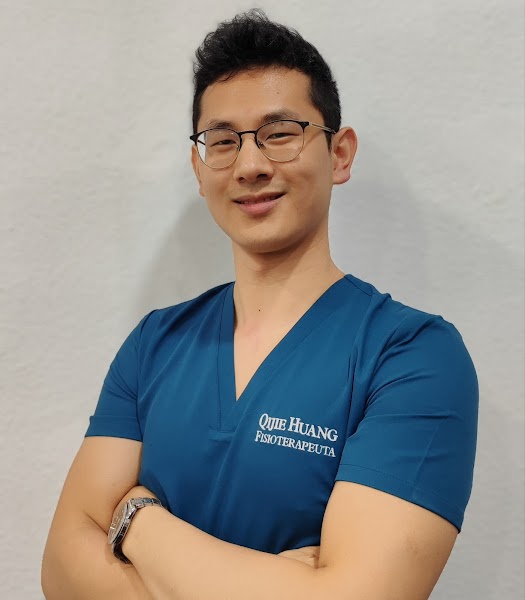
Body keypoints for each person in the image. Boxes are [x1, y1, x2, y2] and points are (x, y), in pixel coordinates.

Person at [42, 9, 478, 600]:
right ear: (199, 168)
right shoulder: (155, 344)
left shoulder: (412, 356)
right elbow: (62, 573)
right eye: (223, 142)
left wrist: (136, 523)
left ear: (340, 153)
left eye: (280, 133)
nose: (250, 166)